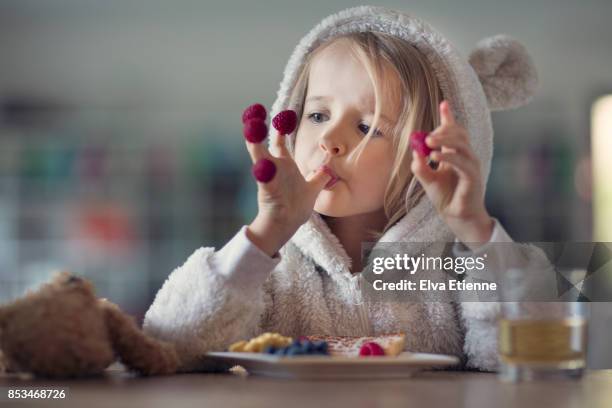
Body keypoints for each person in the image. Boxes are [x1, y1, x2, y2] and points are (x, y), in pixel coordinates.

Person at [143, 6, 541, 372]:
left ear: (431, 155)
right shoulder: (270, 270)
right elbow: (168, 344)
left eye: (367, 127)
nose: (329, 139)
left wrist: (475, 229)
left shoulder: (454, 270)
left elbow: (538, 352)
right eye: (317, 115)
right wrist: (267, 232)